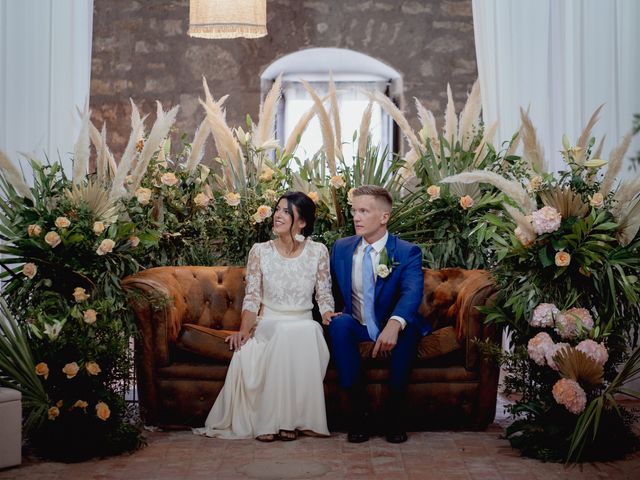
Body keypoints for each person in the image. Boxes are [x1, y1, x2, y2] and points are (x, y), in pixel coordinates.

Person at [194, 191, 335, 441]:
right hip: (270, 321)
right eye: (277, 210)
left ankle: (291, 422)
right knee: (283, 332)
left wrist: (327, 315)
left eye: (285, 212)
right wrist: (245, 330)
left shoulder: (318, 251)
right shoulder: (260, 251)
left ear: (301, 222)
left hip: (303, 320)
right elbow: (252, 298)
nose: (277, 216)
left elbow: (323, 294)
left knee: (309, 330)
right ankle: (274, 423)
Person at [325, 185, 431, 443]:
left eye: (364, 211)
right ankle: (359, 411)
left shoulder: (406, 252)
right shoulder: (341, 248)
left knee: (408, 329)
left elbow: (411, 292)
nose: (356, 217)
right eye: (354, 211)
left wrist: (394, 324)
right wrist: (328, 310)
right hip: (358, 323)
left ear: (384, 217)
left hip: (392, 323)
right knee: (339, 326)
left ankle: (394, 413)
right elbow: (327, 287)